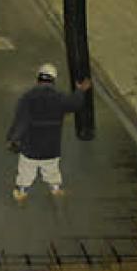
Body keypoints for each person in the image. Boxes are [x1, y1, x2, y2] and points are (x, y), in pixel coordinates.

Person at [6, 63, 91, 202]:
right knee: (51, 168)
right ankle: (55, 188)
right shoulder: (59, 97)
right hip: (51, 144)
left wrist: (13, 138)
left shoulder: (27, 97)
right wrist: (80, 90)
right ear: (53, 80)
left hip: (30, 144)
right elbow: (74, 104)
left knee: (26, 169)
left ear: (38, 78)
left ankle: (22, 191)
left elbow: (20, 120)